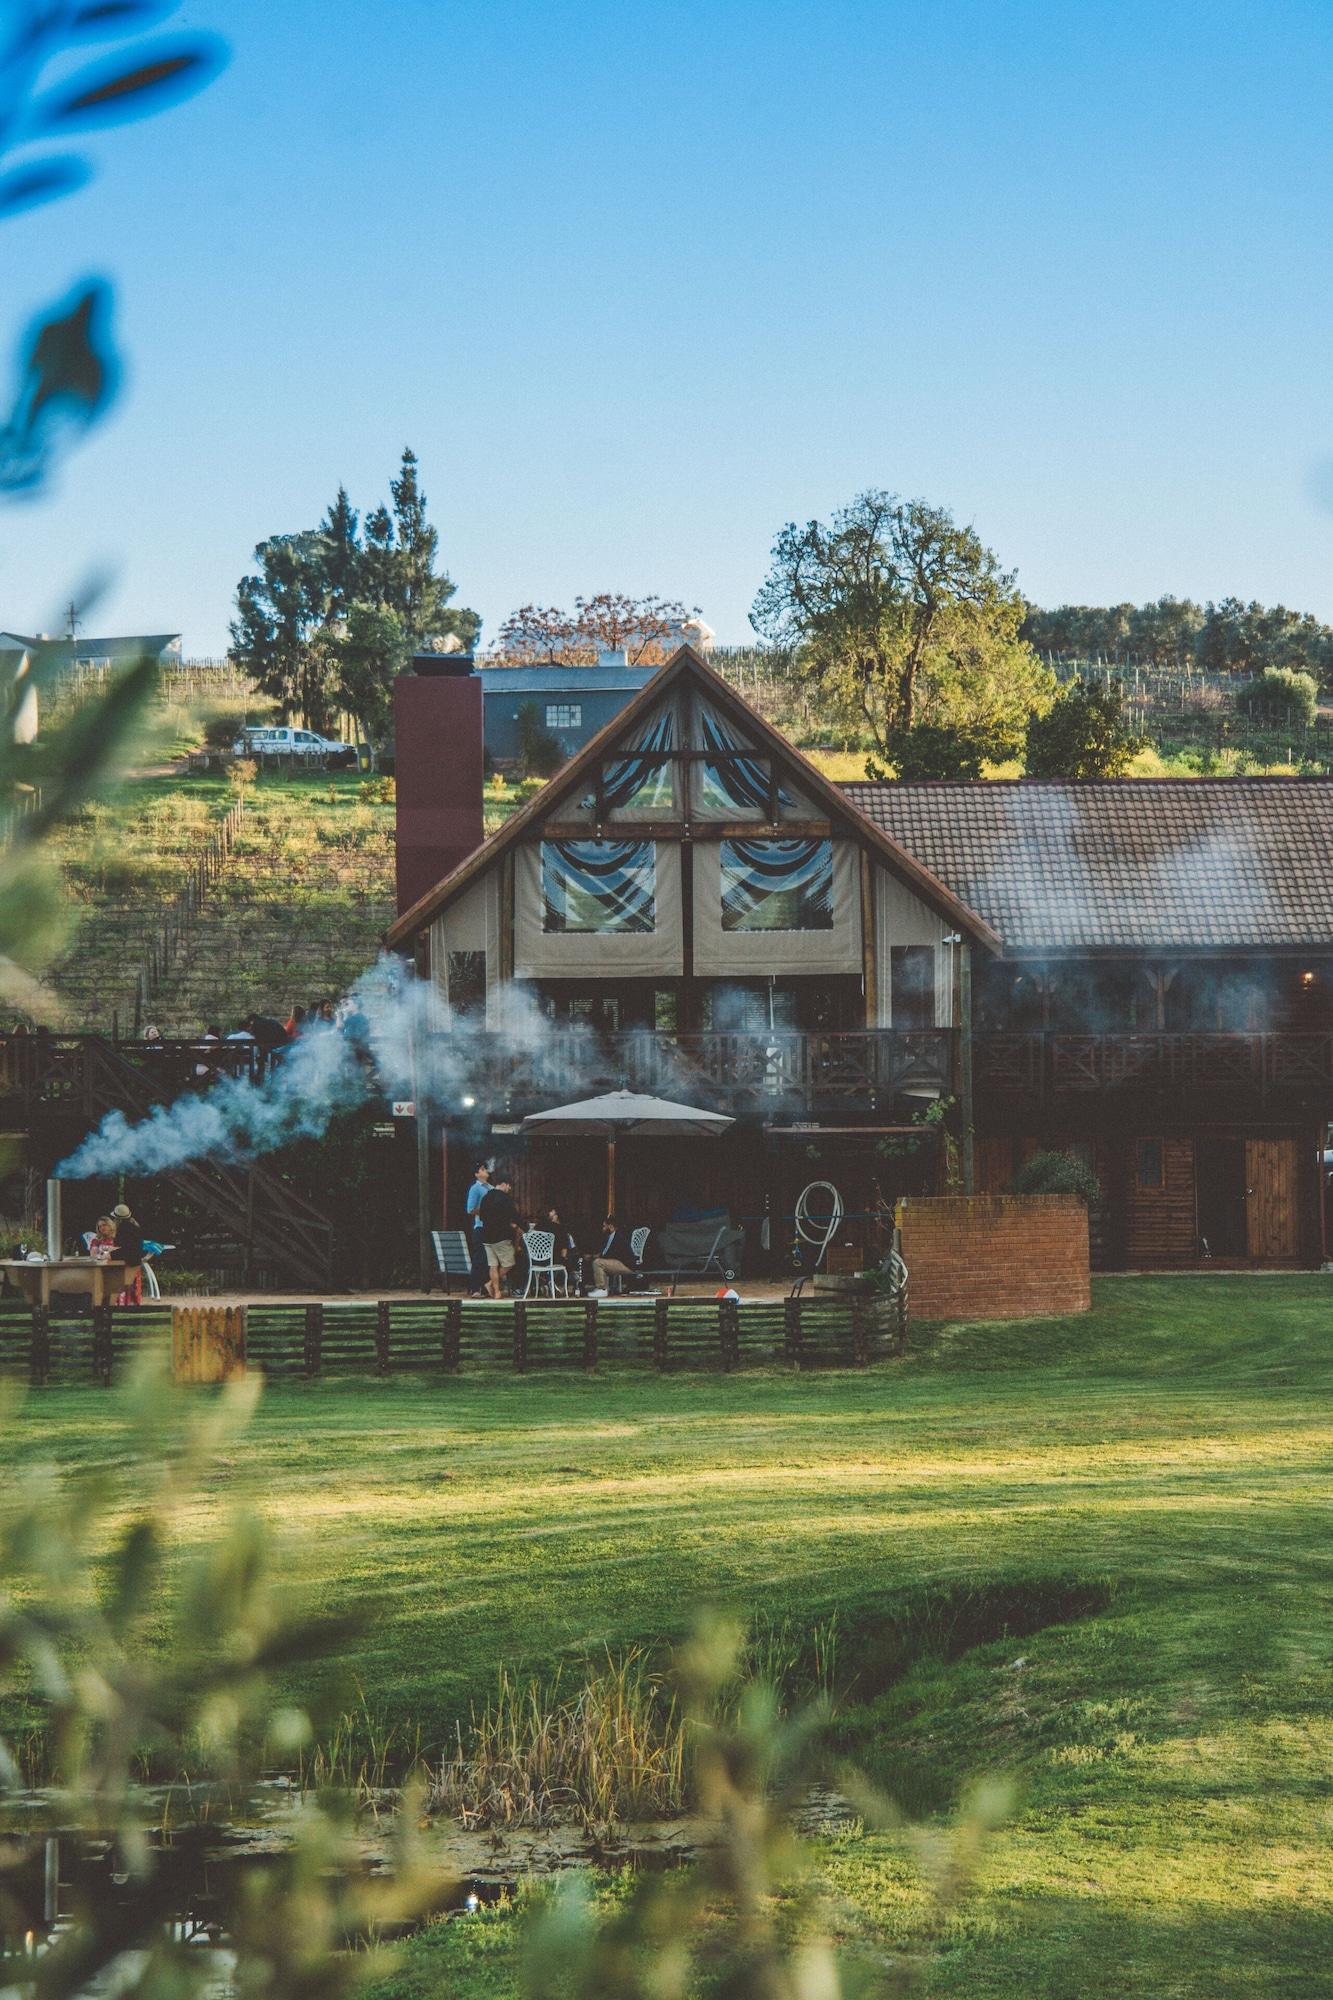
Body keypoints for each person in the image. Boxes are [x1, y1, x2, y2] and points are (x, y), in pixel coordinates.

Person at [478, 1173, 521, 1300]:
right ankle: (490, 1283)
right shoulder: (506, 1199)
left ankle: (497, 1292)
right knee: (509, 1263)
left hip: (486, 1236)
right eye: (509, 1186)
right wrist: (525, 1228)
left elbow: (481, 1216)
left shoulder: (486, 1197)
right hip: (501, 1237)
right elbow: (515, 1216)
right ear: (503, 1184)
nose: (510, 1188)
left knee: (493, 1265)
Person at [590, 1215, 639, 1295]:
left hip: (625, 1265)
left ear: (610, 1226)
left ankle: (602, 1289)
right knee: (598, 1262)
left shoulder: (619, 1237)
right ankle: (605, 1288)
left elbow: (611, 1254)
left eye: (604, 1226)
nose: (603, 1229)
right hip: (618, 1262)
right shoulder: (609, 1237)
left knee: (597, 1263)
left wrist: (596, 1257)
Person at [465, 1162, 491, 1294]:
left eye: (485, 1168)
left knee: (488, 1259)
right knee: (479, 1258)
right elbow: (470, 1209)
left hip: (491, 1228)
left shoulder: (491, 1187)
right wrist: (486, 1209)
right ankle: (474, 1288)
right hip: (480, 1227)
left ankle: (485, 1288)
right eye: (482, 1169)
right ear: (477, 1174)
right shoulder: (475, 1188)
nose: (486, 1170)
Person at [111, 1202, 144, 1306]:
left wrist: (111, 1254)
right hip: (135, 1262)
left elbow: (127, 1249)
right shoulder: (135, 1227)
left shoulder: (124, 1229)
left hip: (128, 1262)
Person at [546, 1206, 577, 1286]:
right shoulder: (560, 1229)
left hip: (544, 1258)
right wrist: (564, 1258)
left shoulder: (545, 1228)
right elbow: (564, 1248)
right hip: (556, 1258)